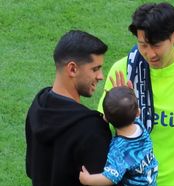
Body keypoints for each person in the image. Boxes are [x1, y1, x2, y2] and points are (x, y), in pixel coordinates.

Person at [98, 2, 174, 186]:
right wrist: (117, 108)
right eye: (143, 45)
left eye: (156, 45)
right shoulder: (122, 71)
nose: (150, 54)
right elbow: (104, 131)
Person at [25, 29, 112, 186]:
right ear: (72, 69)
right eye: (95, 69)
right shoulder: (92, 129)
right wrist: (125, 119)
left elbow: (32, 169)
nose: (101, 76)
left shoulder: (37, 106)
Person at [80, 86, 158, 185]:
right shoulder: (140, 126)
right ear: (138, 113)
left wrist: (87, 180)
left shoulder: (119, 149)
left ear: (106, 119)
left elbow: (109, 178)